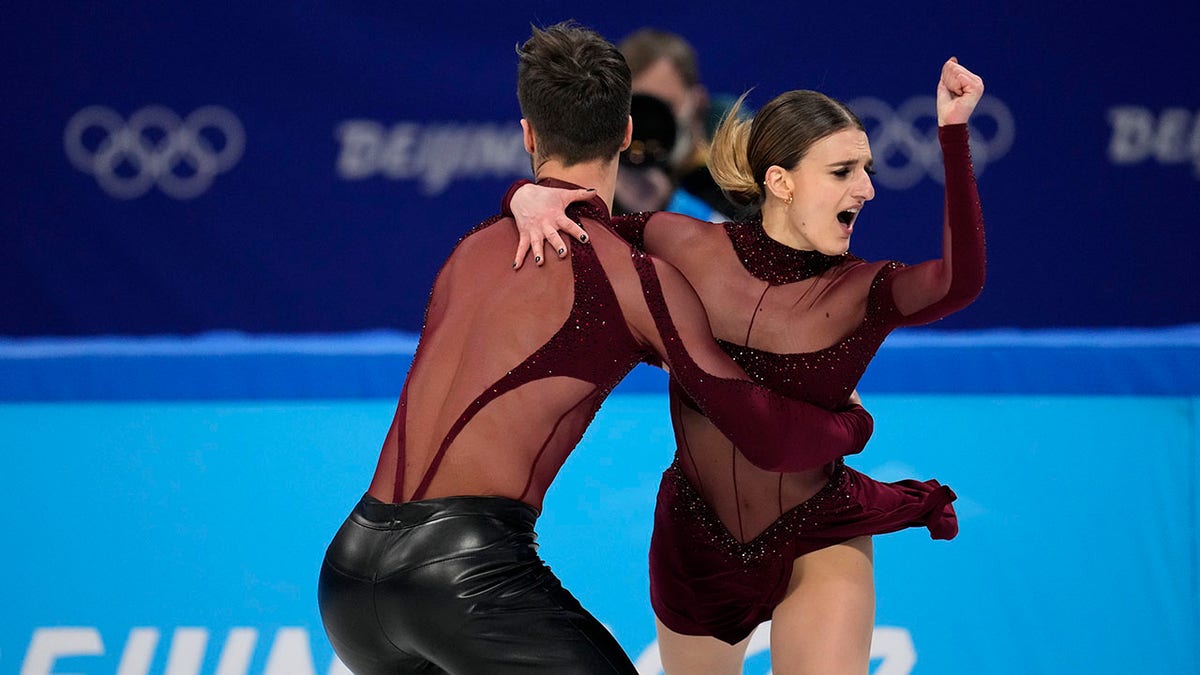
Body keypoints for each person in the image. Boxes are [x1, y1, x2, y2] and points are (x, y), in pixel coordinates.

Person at [316, 22, 877, 675]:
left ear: (527, 134)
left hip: (350, 576)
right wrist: (850, 421)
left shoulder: (470, 251)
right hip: (463, 580)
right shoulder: (631, 279)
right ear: (629, 133)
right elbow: (767, 432)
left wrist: (519, 195)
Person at [505, 57, 986, 673]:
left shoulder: (866, 290)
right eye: (843, 171)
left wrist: (952, 133)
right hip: (697, 542)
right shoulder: (683, 245)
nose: (866, 188)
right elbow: (570, 225)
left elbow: (959, 280)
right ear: (782, 182)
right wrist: (523, 195)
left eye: (866, 170)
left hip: (820, 529)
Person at [618, 27, 737, 219]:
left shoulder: (742, 178)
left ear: (698, 102)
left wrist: (669, 203)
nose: (651, 121)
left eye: (666, 105)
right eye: (638, 108)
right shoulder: (603, 178)